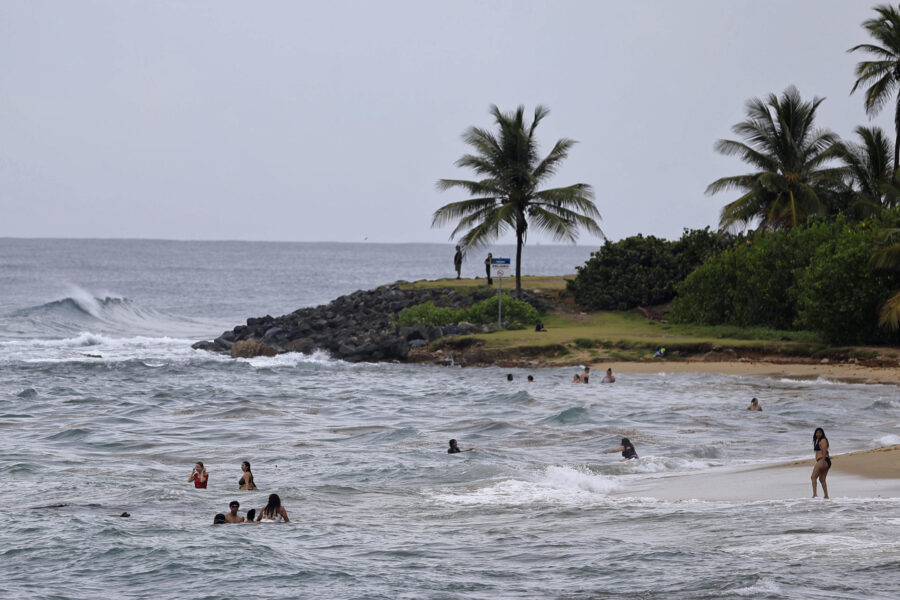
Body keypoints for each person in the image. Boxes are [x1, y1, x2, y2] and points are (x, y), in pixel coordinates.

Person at [812, 427, 831, 499]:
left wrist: (822, 462)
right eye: (817, 433)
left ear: (822, 433)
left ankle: (814, 495)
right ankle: (826, 496)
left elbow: (824, 451)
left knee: (813, 477)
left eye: (820, 432)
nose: (818, 434)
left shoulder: (823, 440)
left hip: (822, 460)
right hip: (825, 461)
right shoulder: (819, 440)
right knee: (822, 479)